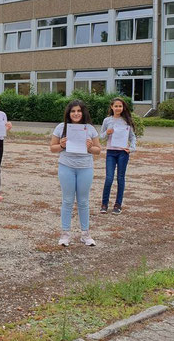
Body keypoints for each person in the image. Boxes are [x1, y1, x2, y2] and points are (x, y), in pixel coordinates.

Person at [49, 100, 101, 247]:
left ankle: (85, 234)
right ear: (68, 113)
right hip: (66, 167)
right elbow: (52, 148)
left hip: (85, 167)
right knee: (67, 200)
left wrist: (90, 147)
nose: (76, 114)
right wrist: (61, 145)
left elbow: (98, 150)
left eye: (79, 111)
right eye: (73, 111)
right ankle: (65, 234)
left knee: (83, 201)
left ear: (83, 112)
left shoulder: (89, 128)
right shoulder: (61, 127)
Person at [99, 98, 136, 215]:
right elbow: (101, 137)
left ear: (123, 108)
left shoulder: (126, 121)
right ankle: (104, 204)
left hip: (123, 153)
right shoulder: (107, 120)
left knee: (120, 178)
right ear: (111, 107)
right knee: (109, 178)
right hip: (110, 152)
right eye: (116, 106)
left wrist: (131, 148)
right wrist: (107, 133)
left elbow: (132, 137)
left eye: (120, 106)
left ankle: (118, 204)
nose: (118, 108)